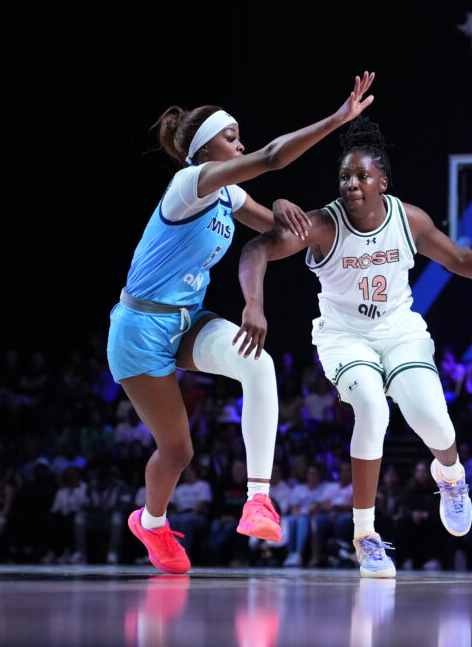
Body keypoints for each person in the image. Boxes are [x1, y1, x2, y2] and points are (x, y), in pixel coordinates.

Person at [234, 117, 472, 578]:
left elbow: (459, 259)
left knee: (433, 420)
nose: (352, 184)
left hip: (400, 331)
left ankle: (451, 476)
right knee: (373, 411)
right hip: (344, 337)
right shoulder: (323, 224)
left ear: (383, 181)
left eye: (361, 176)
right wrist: (254, 305)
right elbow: (255, 250)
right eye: (345, 177)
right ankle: (366, 535)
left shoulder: (408, 219)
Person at [106, 72, 376, 574]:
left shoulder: (227, 197)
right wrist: (338, 120)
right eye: (232, 138)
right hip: (139, 329)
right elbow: (272, 156)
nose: (241, 144)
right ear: (207, 148)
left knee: (260, 364)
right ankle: (151, 521)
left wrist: (284, 208)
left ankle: (258, 501)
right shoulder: (190, 183)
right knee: (178, 450)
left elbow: (276, 231)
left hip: (187, 322)